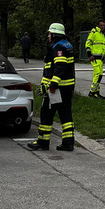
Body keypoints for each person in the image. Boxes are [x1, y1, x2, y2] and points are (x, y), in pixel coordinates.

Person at [27, 23, 76, 151]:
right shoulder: (67, 45)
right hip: (66, 88)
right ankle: (68, 142)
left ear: (55, 35)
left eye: (49, 34)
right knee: (65, 114)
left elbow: (60, 67)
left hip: (56, 89)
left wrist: (52, 85)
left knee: (46, 113)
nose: (48, 36)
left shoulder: (58, 47)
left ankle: (43, 141)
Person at [85, 20, 105, 99]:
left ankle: (96, 93)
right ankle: (92, 92)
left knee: (99, 75)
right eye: (101, 25)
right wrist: (89, 55)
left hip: (100, 58)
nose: (102, 27)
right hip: (94, 58)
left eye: (103, 25)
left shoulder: (102, 34)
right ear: (97, 25)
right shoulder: (93, 33)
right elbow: (87, 44)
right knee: (98, 75)